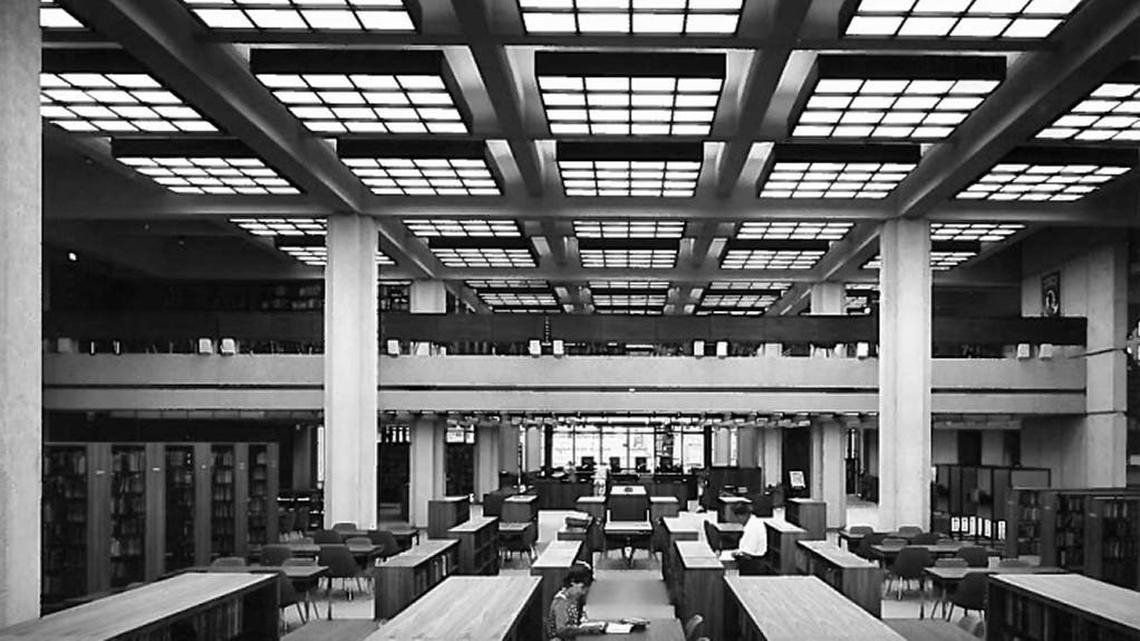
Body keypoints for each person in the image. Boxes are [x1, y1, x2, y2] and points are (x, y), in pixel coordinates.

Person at [545, 563, 605, 639]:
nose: (583, 592)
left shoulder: (573, 599)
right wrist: (588, 629)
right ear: (572, 583)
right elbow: (562, 630)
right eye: (582, 588)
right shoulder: (561, 603)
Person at [731, 502, 768, 574]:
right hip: (752, 560)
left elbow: (748, 552)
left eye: (738, 517)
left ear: (744, 515)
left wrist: (737, 553)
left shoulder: (753, 526)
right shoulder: (753, 522)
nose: (738, 520)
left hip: (753, 564)